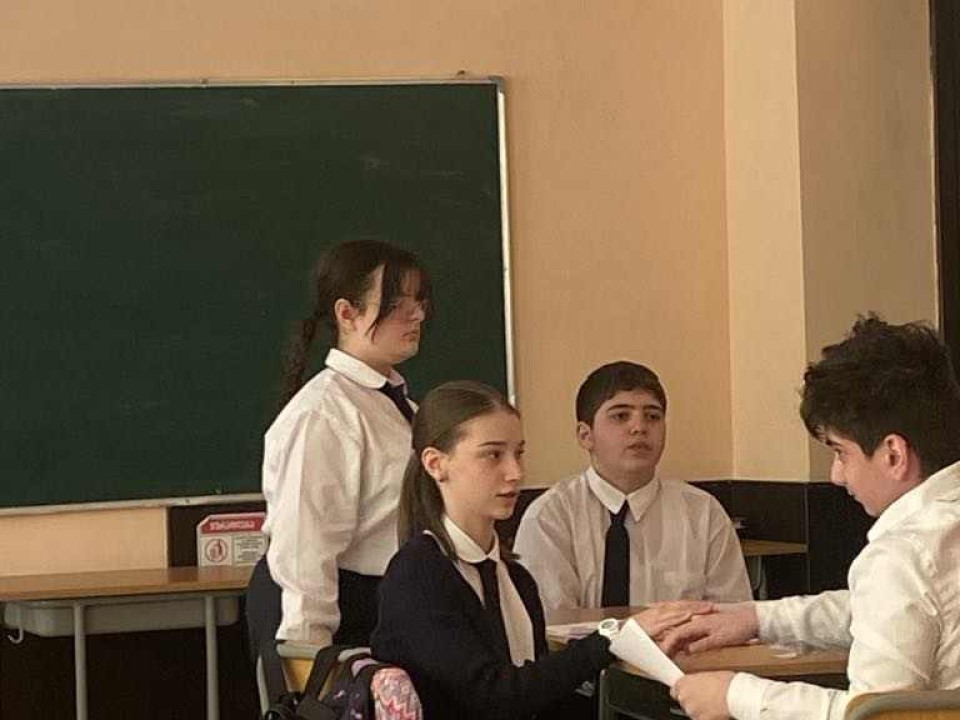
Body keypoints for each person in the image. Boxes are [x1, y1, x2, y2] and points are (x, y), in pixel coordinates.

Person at [666, 316, 960, 720]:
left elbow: (878, 715)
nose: (836, 475)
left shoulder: (901, 557)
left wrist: (736, 695)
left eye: (840, 452)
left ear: (893, 455)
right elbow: (889, 611)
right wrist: (757, 618)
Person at [371, 381, 706, 719]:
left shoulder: (514, 576)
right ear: (435, 464)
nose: (515, 472)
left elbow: (541, 693)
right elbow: (495, 696)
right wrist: (615, 636)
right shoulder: (418, 574)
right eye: (493, 455)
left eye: (518, 453)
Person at [261, 238, 431, 646]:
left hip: (400, 603)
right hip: (349, 612)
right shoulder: (323, 415)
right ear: (347, 313)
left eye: (419, 302)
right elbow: (304, 548)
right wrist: (310, 657)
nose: (417, 315)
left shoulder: (402, 405)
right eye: (396, 304)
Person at [513, 361, 751, 611]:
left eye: (652, 417)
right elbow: (550, 624)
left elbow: (733, 618)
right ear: (585, 435)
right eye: (620, 416)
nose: (639, 428)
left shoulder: (703, 513)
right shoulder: (549, 517)